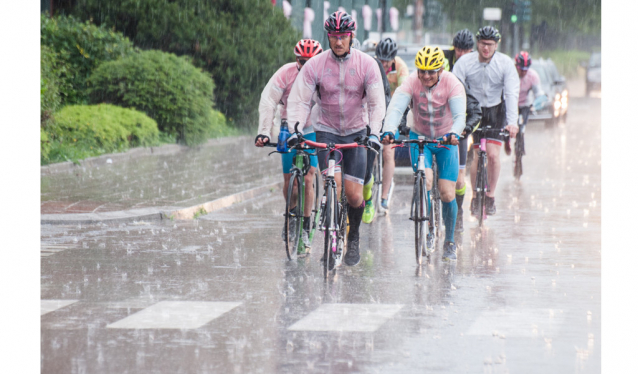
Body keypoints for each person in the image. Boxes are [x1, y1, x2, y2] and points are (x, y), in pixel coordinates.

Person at [287, 11, 385, 268]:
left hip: (356, 132)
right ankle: (329, 238)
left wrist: (374, 134)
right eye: (333, 36)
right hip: (326, 130)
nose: (338, 41)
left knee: (354, 196)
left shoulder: (367, 64)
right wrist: (295, 130)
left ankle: (352, 237)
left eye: (343, 36)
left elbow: (376, 104)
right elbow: (300, 101)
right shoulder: (315, 65)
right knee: (334, 185)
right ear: (328, 37)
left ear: (351, 36)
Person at [381, 46, 467, 261]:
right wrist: (389, 129)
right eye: (422, 71)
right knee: (426, 180)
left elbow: (459, 116)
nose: (426, 76)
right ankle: (429, 228)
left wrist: (455, 133)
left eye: (431, 71)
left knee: (447, 193)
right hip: (420, 138)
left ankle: (449, 241)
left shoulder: (452, 83)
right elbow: (396, 108)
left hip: (446, 139)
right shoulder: (411, 81)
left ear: (440, 70)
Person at [254, 39, 323, 248]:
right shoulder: (285, 73)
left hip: (312, 129)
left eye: (311, 62)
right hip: (288, 127)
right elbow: (268, 100)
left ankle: (306, 225)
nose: (306, 67)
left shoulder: (324, 75)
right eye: (302, 62)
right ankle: (291, 215)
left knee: (308, 179)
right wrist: (264, 132)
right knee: (291, 185)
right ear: (296, 60)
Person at [452, 26, 519, 217]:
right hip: (473, 110)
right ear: (477, 43)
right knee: (476, 154)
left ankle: (490, 196)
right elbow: (455, 87)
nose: (486, 49)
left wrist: (512, 122)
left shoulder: (505, 63)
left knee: (492, 155)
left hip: (496, 111)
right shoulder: (465, 62)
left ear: (496, 45)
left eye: (490, 45)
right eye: (482, 44)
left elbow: (511, 93)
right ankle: (474, 196)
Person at [370, 37, 411, 217]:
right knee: (369, 152)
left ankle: (384, 195)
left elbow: (406, 95)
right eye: (381, 59)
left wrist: (400, 122)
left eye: (387, 60)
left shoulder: (401, 68)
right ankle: (368, 188)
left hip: (392, 111)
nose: (384, 63)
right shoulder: (371, 64)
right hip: (373, 110)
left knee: (388, 152)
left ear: (394, 58)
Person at [447, 29, 482, 233]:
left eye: (466, 51)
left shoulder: (475, 66)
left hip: (465, 118)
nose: (461, 54)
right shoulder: (444, 61)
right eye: (458, 50)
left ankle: (459, 209)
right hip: (443, 118)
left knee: (460, 177)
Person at [355, 39, 392, 224]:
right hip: (342, 125)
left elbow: (385, 95)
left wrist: (384, 124)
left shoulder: (372, 65)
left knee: (368, 169)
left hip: (369, 122)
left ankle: (371, 199)